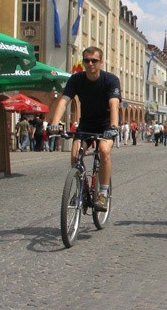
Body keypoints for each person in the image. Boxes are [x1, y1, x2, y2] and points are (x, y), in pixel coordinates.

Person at [49, 46, 121, 212]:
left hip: (106, 125)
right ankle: (81, 188)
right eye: (87, 60)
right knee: (75, 154)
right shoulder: (76, 79)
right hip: (86, 124)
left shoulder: (111, 80)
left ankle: (102, 194)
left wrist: (114, 126)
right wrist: (54, 123)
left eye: (94, 60)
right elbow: (64, 100)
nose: (90, 64)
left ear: (101, 62)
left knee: (103, 150)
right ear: (83, 62)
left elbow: (114, 104)